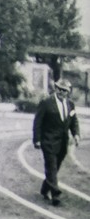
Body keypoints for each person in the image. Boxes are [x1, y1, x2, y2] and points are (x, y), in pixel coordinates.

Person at [33, 78, 80, 206]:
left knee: (55, 168)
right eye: (59, 88)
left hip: (62, 143)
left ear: (68, 92)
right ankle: (55, 195)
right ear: (55, 88)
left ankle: (45, 188)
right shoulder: (46, 102)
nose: (61, 92)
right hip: (48, 141)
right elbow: (38, 121)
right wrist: (37, 139)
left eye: (64, 90)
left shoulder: (70, 104)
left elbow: (73, 121)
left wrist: (76, 134)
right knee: (51, 167)